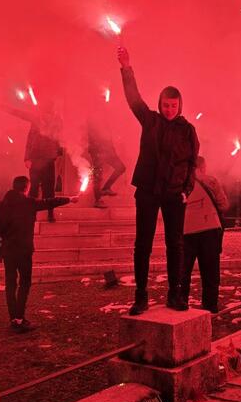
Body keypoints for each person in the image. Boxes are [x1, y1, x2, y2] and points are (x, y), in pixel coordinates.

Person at [117, 46, 199, 315]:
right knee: (143, 243)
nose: (169, 110)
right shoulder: (150, 120)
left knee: (175, 244)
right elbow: (133, 99)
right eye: (166, 105)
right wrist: (126, 68)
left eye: (173, 106)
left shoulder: (188, 130)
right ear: (161, 103)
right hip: (148, 191)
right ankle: (140, 296)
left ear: (180, 105)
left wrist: (186, 189)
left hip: (175, 194)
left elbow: (191, 164)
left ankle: (175, 294)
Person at [0, 176, 72, 331]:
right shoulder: (29, 203)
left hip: (8, 251)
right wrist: (69, 199)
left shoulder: (1, 206)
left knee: (10, 283)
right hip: (24, 250)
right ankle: (20, 317)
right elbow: (49, 202)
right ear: (26, 188)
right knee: (25, 283)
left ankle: (14, 318)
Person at [2, 100, 64, 222]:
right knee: (36, 188)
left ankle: (49, 214)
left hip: (46, 158)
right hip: (38, 158)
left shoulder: (52, 120)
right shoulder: (39, 118)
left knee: (47, 189)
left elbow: (59, 138)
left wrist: (57, 154)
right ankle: (33, 214)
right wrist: (27, 158)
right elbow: (29, 138)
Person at [180, 157, 229, 313]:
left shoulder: (181, 184)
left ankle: (181, 302)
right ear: (202, 167)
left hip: (186, 231)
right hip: (210, 230)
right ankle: (210, 306)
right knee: (210, 272)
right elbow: (223, 204)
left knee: (184, 271)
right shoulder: (211, 181)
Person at [86, 118, 127, 208]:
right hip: (98, 150)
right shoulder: (92, 116)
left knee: (120, 167)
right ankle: (97, 200)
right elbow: (93, 135)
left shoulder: (104, 116)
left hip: (107, 150)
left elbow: (108, 136)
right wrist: (97, 150)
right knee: (97, 174)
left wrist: (112, 150)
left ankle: (106, 188)